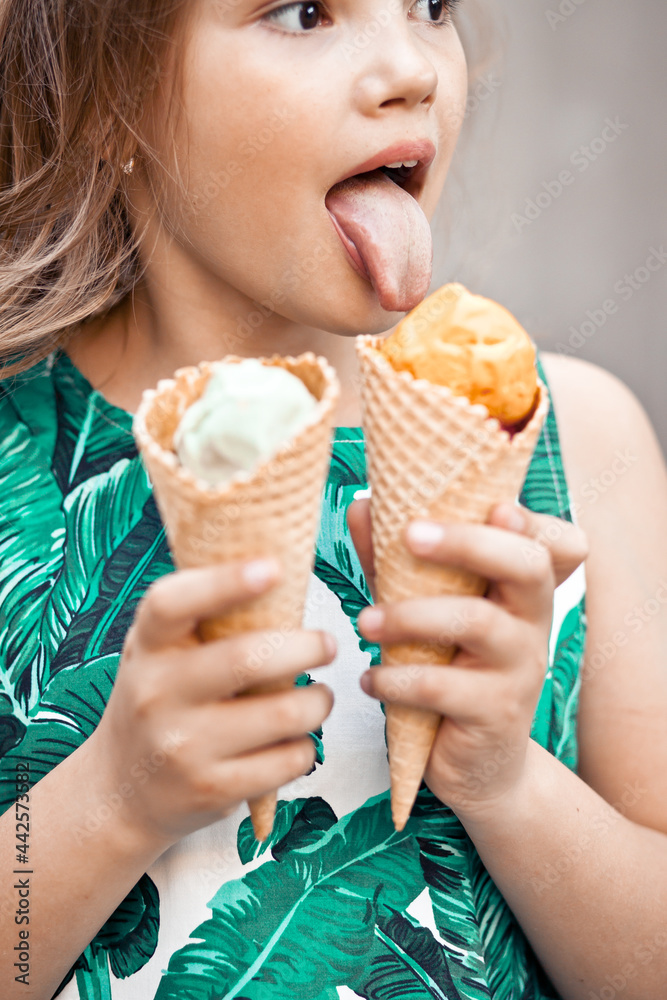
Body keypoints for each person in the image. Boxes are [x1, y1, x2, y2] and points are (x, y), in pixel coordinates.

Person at [0, 1, 666, 998]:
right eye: (306, 12)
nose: (412, 67)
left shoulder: (574, 438)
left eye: (430, 6)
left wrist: (509, 785)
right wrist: (110, 801)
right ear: (105, 104)